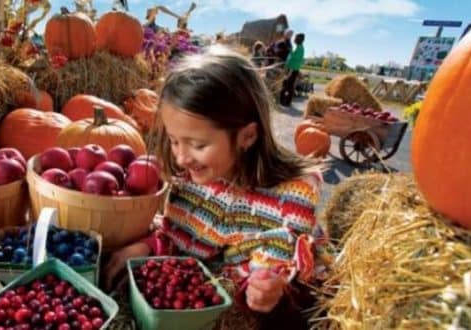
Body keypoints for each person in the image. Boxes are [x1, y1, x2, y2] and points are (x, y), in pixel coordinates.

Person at [104, 45, 332, 328]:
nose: (181, 157)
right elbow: (179, 238)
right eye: (175, 141)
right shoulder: (191, 181)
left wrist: (270, 290)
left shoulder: (291, 196)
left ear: (247, 136)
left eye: (198, 145)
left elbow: (290, 277)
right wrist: (148, 246)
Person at [279, 33, 305, 107]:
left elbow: (295, 58)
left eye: (296, 38)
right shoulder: (298, 47)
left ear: (299, 39)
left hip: (292, 69)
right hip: (292, 69)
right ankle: (285, 101)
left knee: (287, 85)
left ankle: (285, 101)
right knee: (288, 85)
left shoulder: (300, 48)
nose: (294, 39)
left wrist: (290, 51)